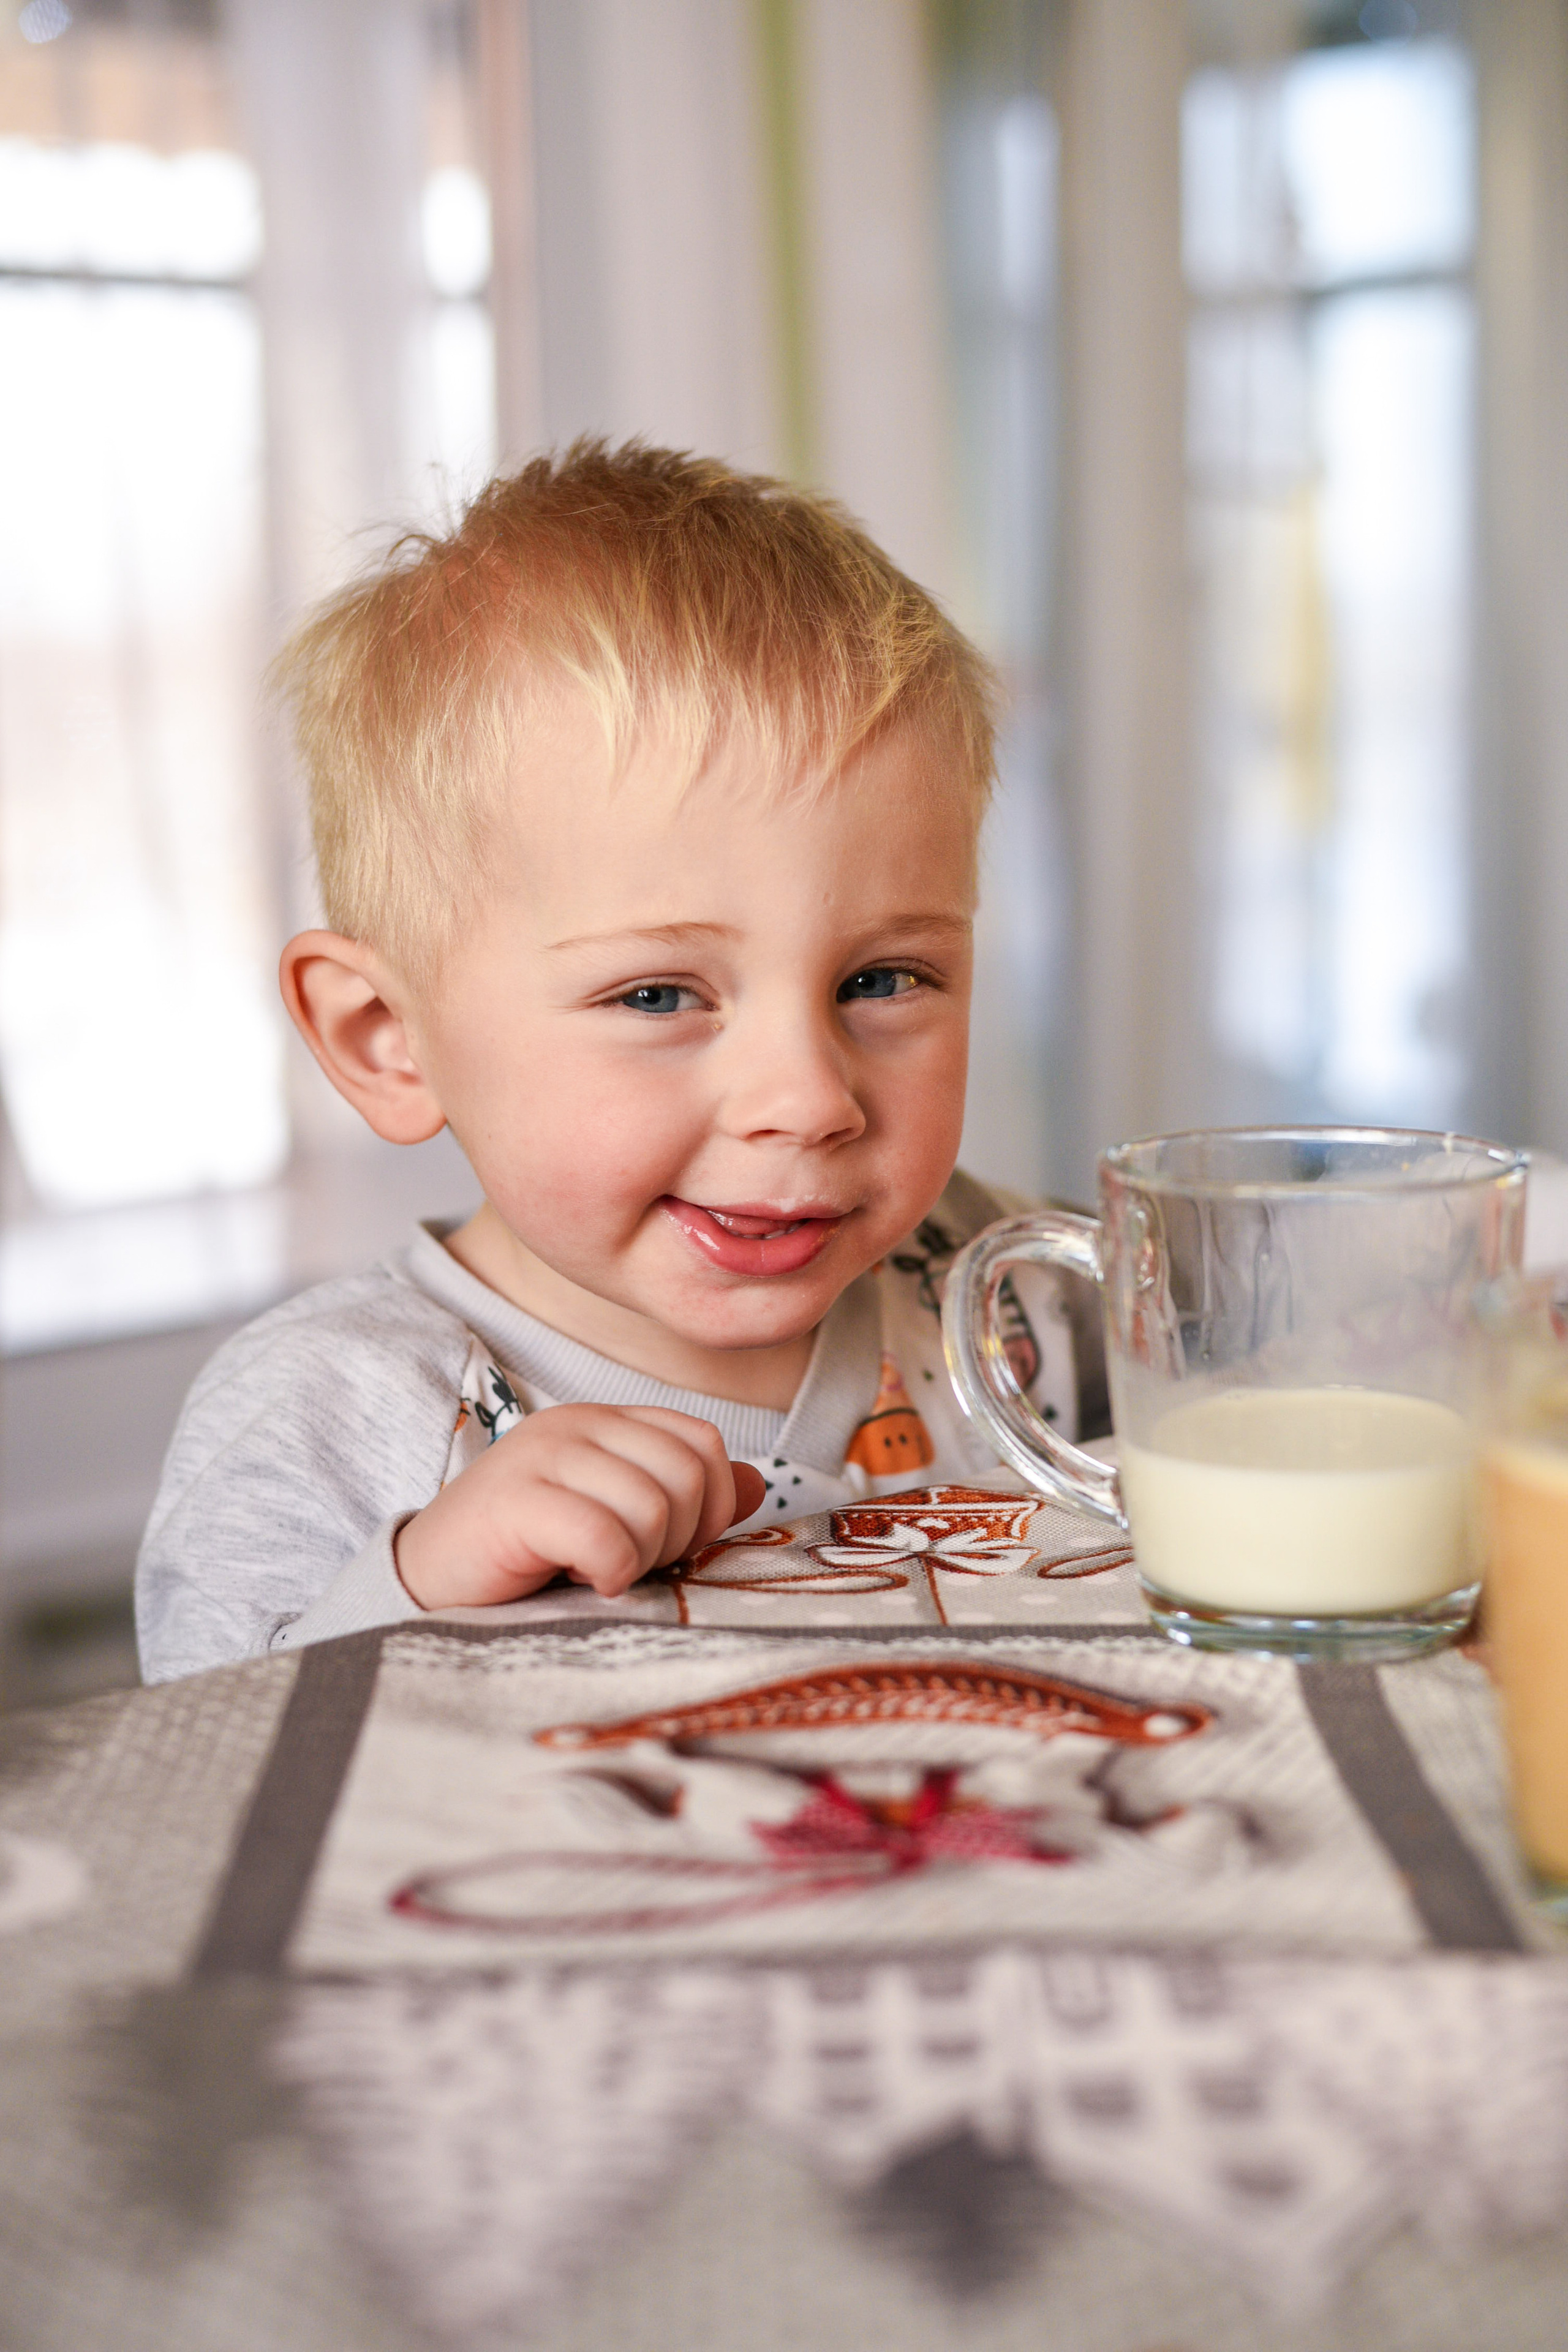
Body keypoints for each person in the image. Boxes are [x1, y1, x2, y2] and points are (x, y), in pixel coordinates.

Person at [135, 441, 1101, 1683]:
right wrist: (417, 1588)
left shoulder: (1033, 1295)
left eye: (880, 981)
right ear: (387, 1040)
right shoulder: (323, 1418)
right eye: (656, 994)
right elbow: (207, 1797)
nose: (807, 1100)